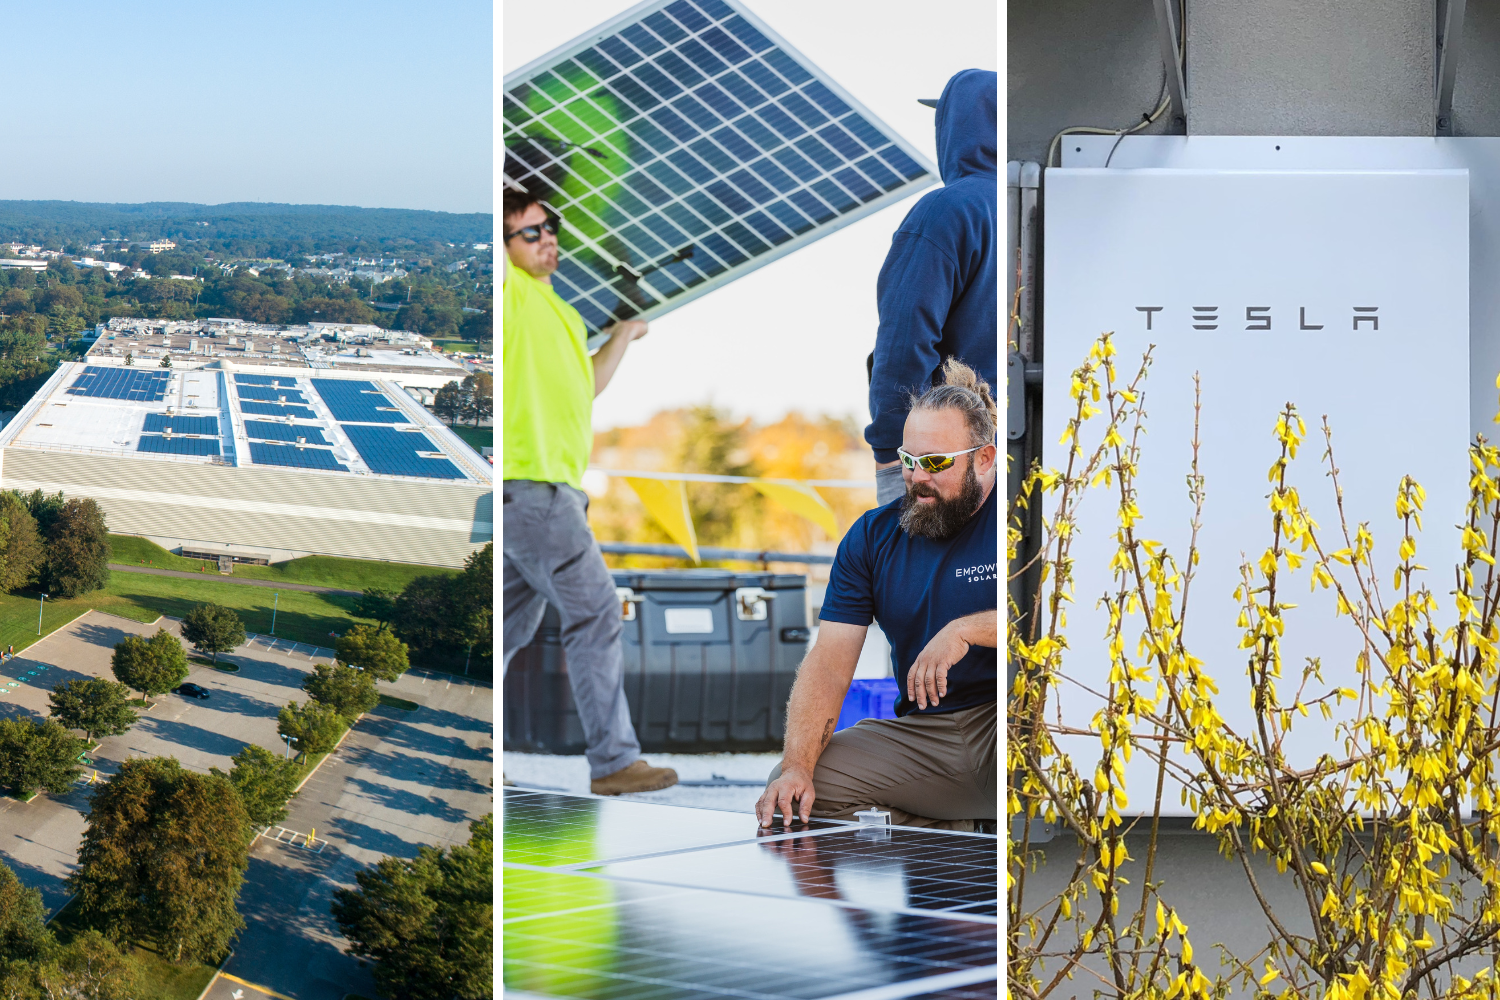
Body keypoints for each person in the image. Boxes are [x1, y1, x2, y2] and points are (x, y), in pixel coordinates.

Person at [757, 359, 997, 831]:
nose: (917, 478)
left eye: (935, 463)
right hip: (927, 736)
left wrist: (968, 629)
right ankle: (963, 827)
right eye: (908, 461)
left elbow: (1055, 623)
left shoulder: (1018, 519)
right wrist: (797, 766)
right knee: (798, 793)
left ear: (984, 458)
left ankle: (974, 822)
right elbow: (829, 662)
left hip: (1006, 721)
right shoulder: (872, 537)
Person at [500, 186, 678, 796]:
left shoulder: (562, 314)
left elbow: (586, 389)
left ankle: (482, 756)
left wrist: (622, 337)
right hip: (534, 490)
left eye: (550, 229)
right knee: (597, 610)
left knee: (505, 631)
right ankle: (612, 762)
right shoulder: (512, 298)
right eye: (529, 232)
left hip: (545, 496)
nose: (547, 239)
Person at [867, 69, 998, 507]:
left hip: (940, 467)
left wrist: (892, 454)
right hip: (1008, 454)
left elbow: (904, 343)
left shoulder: (947, 211)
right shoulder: (1033, 206)